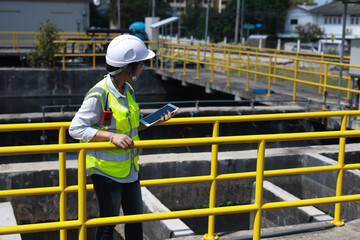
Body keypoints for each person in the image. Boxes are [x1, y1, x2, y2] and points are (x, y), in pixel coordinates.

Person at [69, 34, 175, 240]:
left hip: (130, 169)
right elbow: (76, 128)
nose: (143, 69)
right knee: (108, 223)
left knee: (135, 219)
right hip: (106, 171)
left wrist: (156, 120)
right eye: (141, 65)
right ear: (129, 68)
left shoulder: (128, 91)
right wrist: (111, 137)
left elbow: (132, 127)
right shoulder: (99, 94)